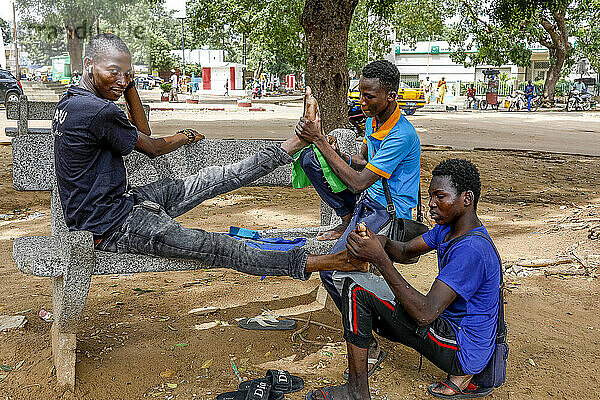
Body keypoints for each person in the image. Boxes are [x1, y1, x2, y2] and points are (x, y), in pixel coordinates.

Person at [52, 33, 369, 287]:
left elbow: (141, 132)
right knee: (217, 247)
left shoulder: (72, 101)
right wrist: (182, 136)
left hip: (122, 204)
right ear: (88, 64)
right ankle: (325, 261)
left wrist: (128, 83)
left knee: (217, 177)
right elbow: (150, 145)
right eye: (114, 72)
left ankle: (293, 143)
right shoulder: (98, 111)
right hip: (112, 226)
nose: (121, 81)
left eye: (127, 73)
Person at [305, 159, 501, 400]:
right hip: (459, 333)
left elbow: (425, 314)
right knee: (366, 291)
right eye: (430, 196)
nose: (431, 204)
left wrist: (379, 258)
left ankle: (356, 391)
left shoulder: (471, 250)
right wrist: (379, 241)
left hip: (463, 348)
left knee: (355, 289)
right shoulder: (449, 228)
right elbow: (405, 250)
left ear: (467, 199)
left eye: (440, 196)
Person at [296, 60, 421, 371]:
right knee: (313, 160)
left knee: (333, 271)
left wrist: (321, 140)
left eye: (370, 97)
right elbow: (362, 161)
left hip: (387, 211)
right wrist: (333, 150)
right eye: (360, 94)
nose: (362, 102)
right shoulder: (373, 120)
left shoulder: (401, 134)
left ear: (391, 96)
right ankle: (347, 220)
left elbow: (358, 180)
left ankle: (370, 340)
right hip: (368, 201)